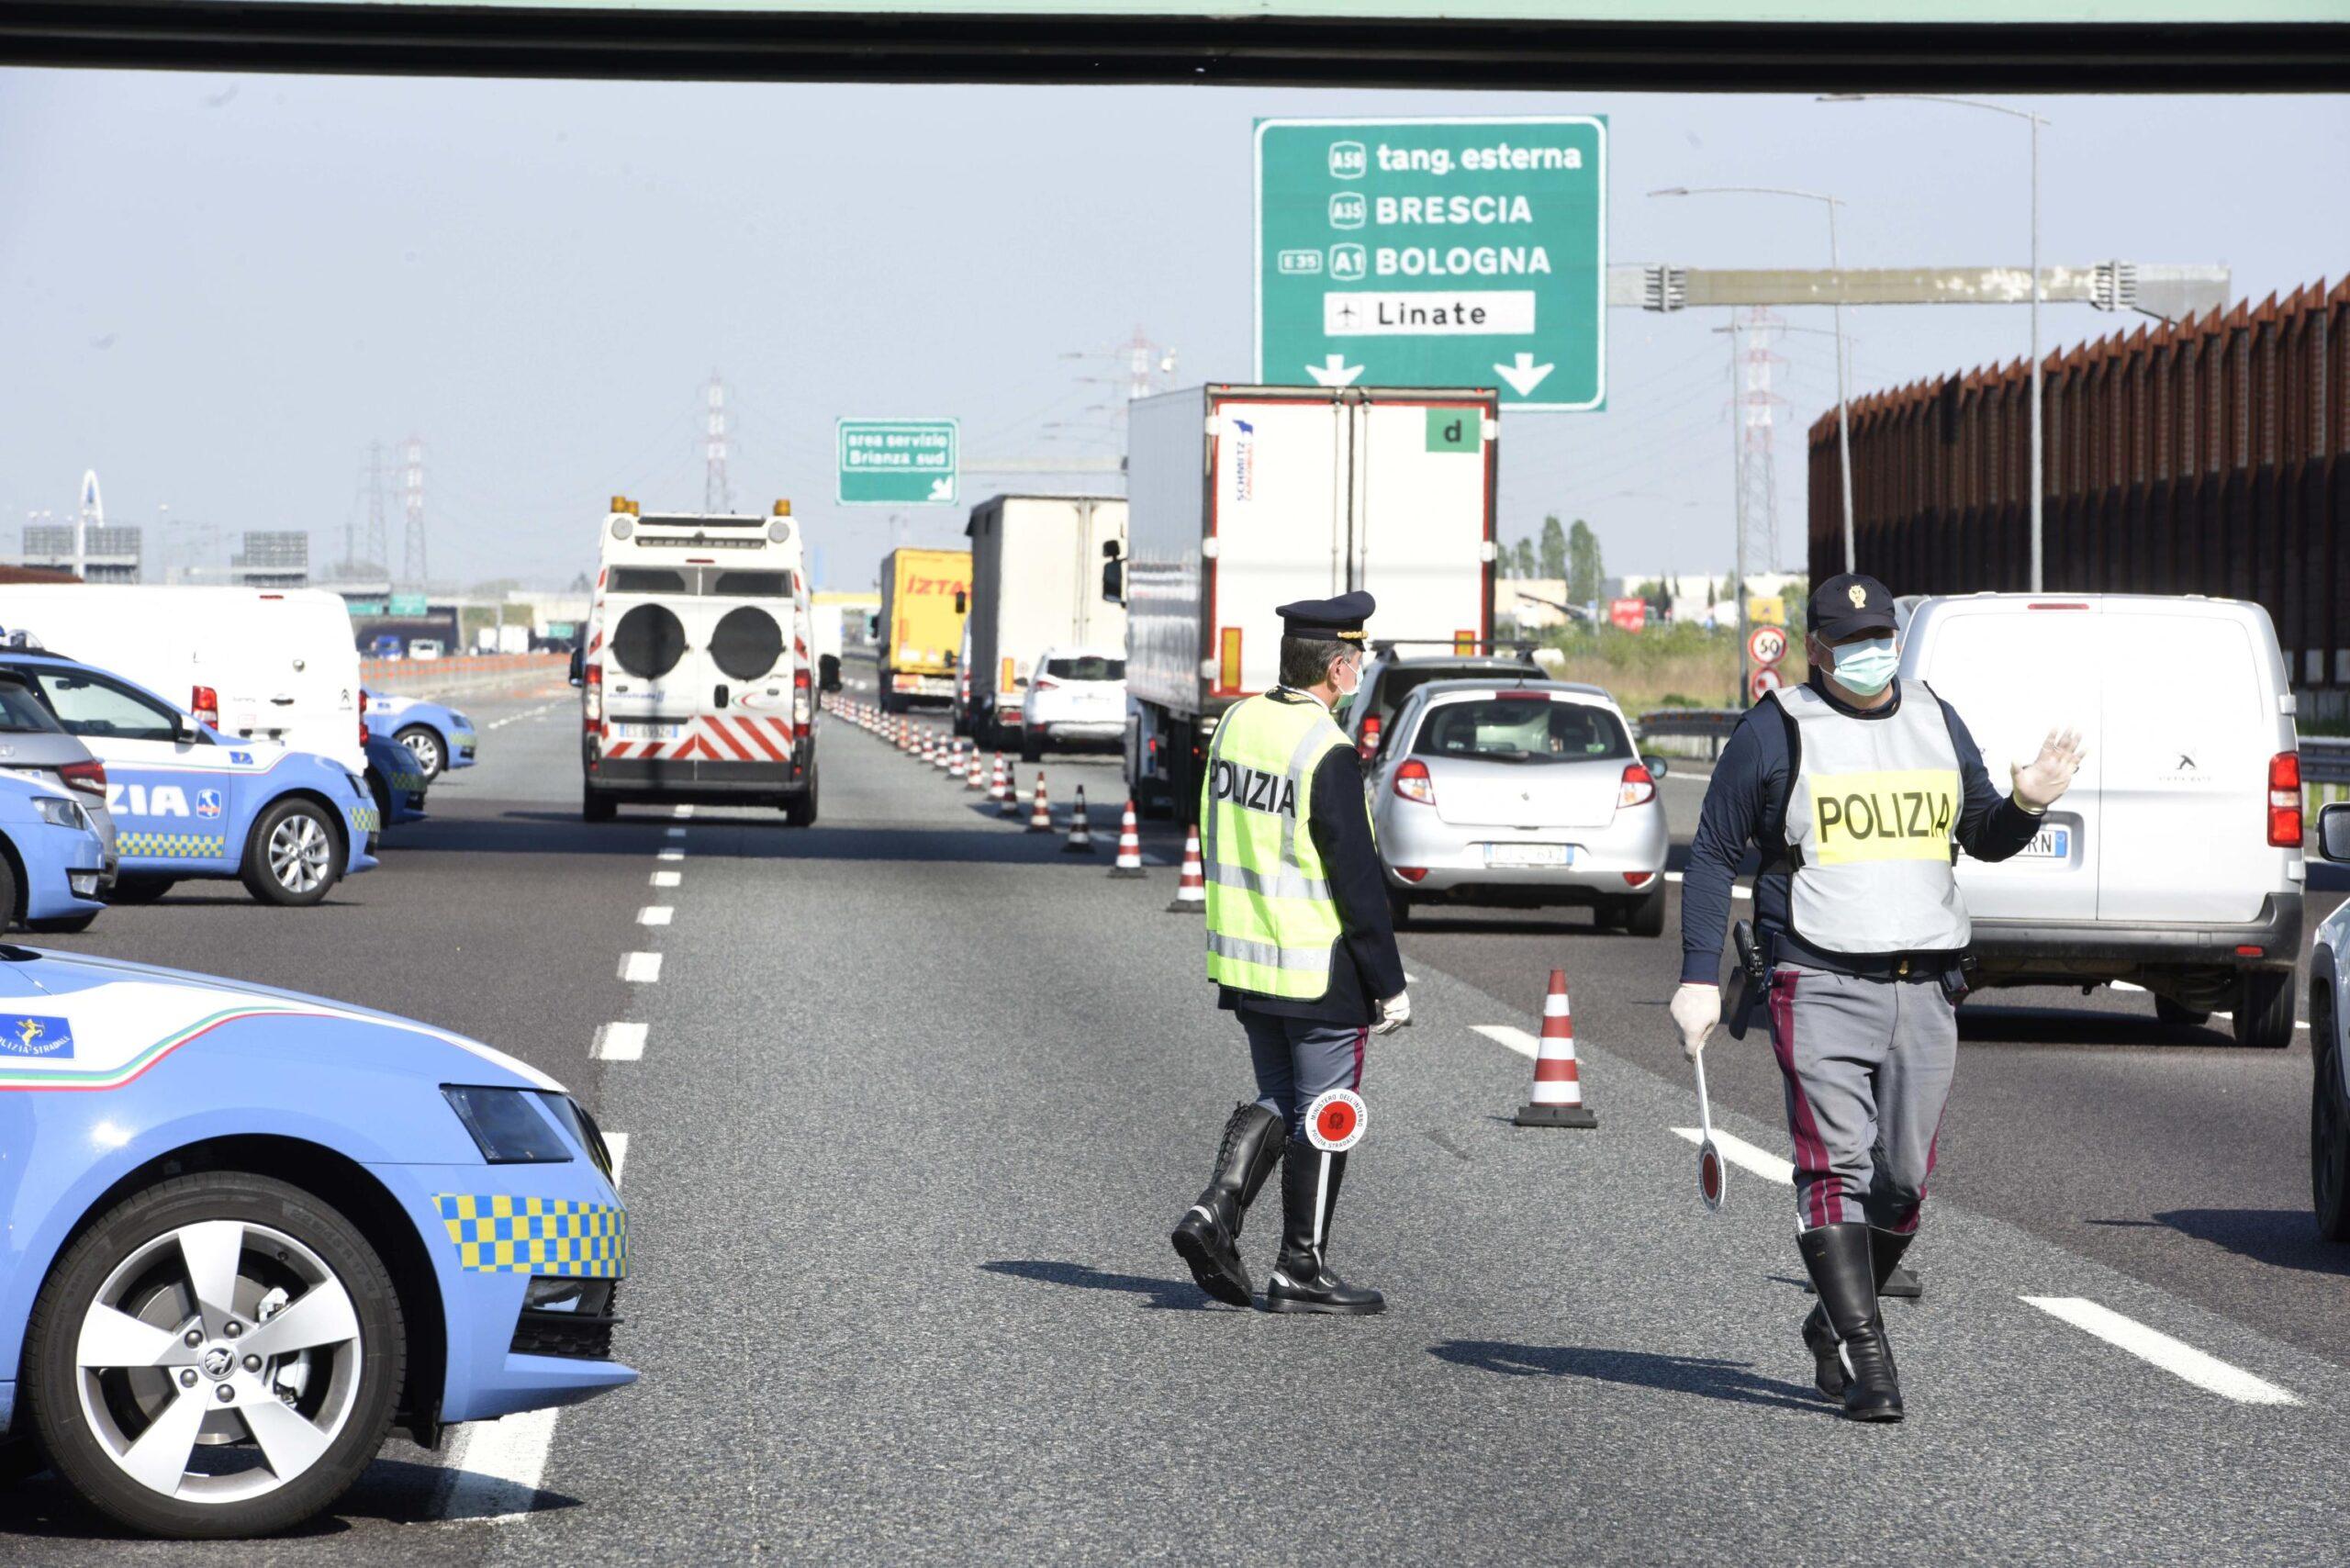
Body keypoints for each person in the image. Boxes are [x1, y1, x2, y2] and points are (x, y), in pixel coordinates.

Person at [1671, 573, 2082, 1421]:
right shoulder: (1775, 729)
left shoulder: (1935, 716)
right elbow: (1713, 852)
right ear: (1815, 649)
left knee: (1901, 1182)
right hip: (1817, 979)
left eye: (1878, 635)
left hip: (1927, 985)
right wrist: (1696, 978)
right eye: (1846, 641)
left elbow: (1982, 835)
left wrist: (2026, 804)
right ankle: (1870, 1363)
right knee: (1835, 1167)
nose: (1867, 653)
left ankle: (1830, 1322)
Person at [1170, 590, 1410, 1316]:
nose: (1360, 669)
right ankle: (1299, 1267)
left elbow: (1209, 827)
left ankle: (1216, 1211)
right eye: (1358, 658)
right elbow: (1356, 876)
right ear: (1338, 669)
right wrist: (1388, 982)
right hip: (1315, 964)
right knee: (1328, 1111)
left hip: (1246, 960)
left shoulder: (1238, 722)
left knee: (1282, 1100)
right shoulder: (1326, 750)